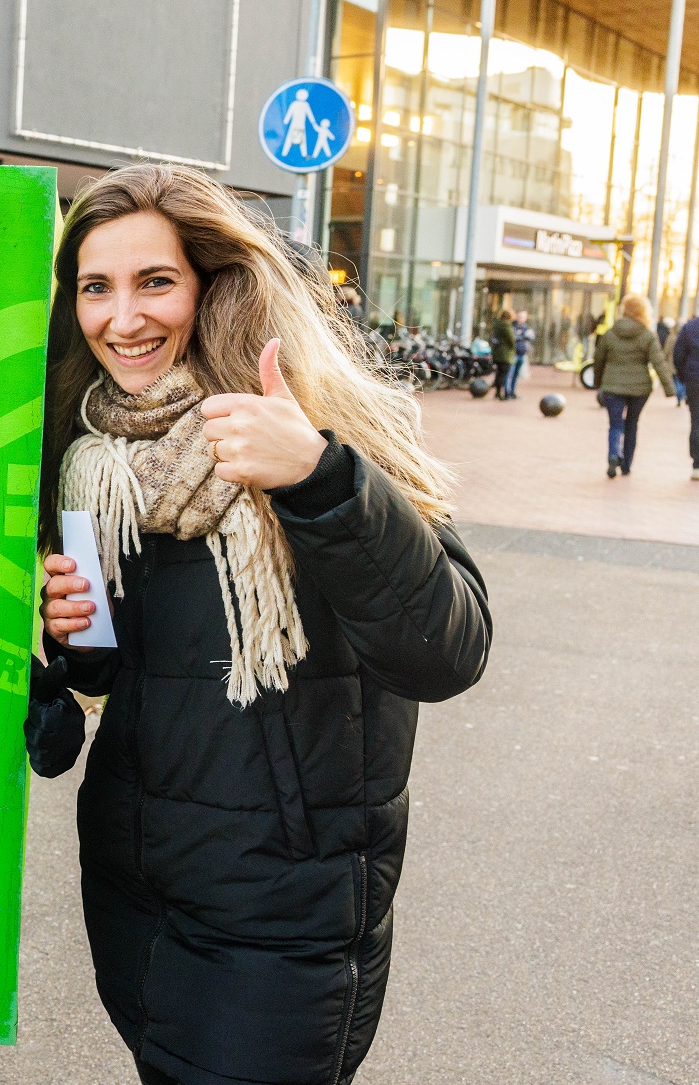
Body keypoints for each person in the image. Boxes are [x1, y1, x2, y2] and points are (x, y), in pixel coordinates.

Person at [28, 164, 491, 1085]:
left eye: (155, 281)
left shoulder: (320, 427)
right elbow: (112, 677)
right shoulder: (95, 461)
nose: (124, 319)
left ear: (214, 282)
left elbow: (449, 647)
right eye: (95, 287)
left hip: (286, 907)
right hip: (134, 886)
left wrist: (318, 477)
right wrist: (73, 631)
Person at [593, 293, 676, 477]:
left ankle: (613, 455)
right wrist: (669, 389)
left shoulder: (611, 332)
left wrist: (598, 382)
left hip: (612, 386)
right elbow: (659, 362)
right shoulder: (647, 335)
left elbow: (598, 359)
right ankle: (627, 464)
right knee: (632, 423)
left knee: (615, 424)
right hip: (640, 388)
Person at [669, 313, 699, 478]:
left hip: (694, 380)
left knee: (696, 421)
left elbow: (678, 355)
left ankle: (697, 464)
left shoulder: (690, 327)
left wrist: (683, 377)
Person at [505, 309, 533, 400]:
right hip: (513, 354)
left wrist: (522, 335)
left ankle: (513, 392)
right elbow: (512, 338)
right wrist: (522, 336)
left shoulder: (526, 327)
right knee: (509, 374)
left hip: (522, 354)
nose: (521, 319)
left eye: (523, 317)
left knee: (516, 375)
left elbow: (531, 336)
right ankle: (507, 392)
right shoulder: (511, 326)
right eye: (520, 316)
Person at [489, 308, 515, 400]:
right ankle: (500, 393)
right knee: (503, 374)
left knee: (499, 373)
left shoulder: (496, 325)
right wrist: (513, 346)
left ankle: (497, 392)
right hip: (505, 354)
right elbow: (511, 339)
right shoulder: (506, 325)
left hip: (497, 353)